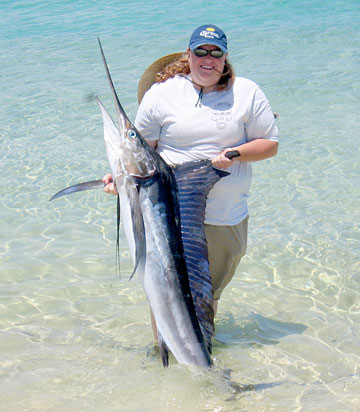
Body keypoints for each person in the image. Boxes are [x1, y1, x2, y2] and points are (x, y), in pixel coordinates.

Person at [103, 24, 278, 321]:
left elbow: (270, 144)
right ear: (189, 53)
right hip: (171, 216)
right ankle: (169, 361)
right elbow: (142, 153)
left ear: (224, 57)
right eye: (201, 51)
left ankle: (202, 357)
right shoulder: (160, 95)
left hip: (225, 215)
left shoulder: (247, 92)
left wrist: (235, 154)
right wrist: (118, 180)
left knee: (208, 295)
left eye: (215, 52)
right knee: (166, 294)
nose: (207, 58)